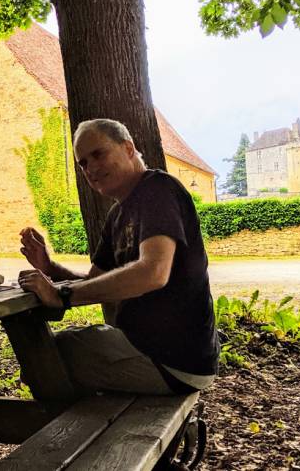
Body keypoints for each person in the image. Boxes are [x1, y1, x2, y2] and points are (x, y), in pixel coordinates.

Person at [18, 118, 220, 396]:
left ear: (128, 148)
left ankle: (79, 437)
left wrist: (61, 296)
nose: (91, 168)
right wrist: (49, 268)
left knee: (41, 358)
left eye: (98, 154)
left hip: (174, 362)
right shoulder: (118, 215)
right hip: (144, 349)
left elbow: (153, 273)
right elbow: (98, 284)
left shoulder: (158, 190)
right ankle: (85, 431)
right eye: (83, 163)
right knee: (43, 355)